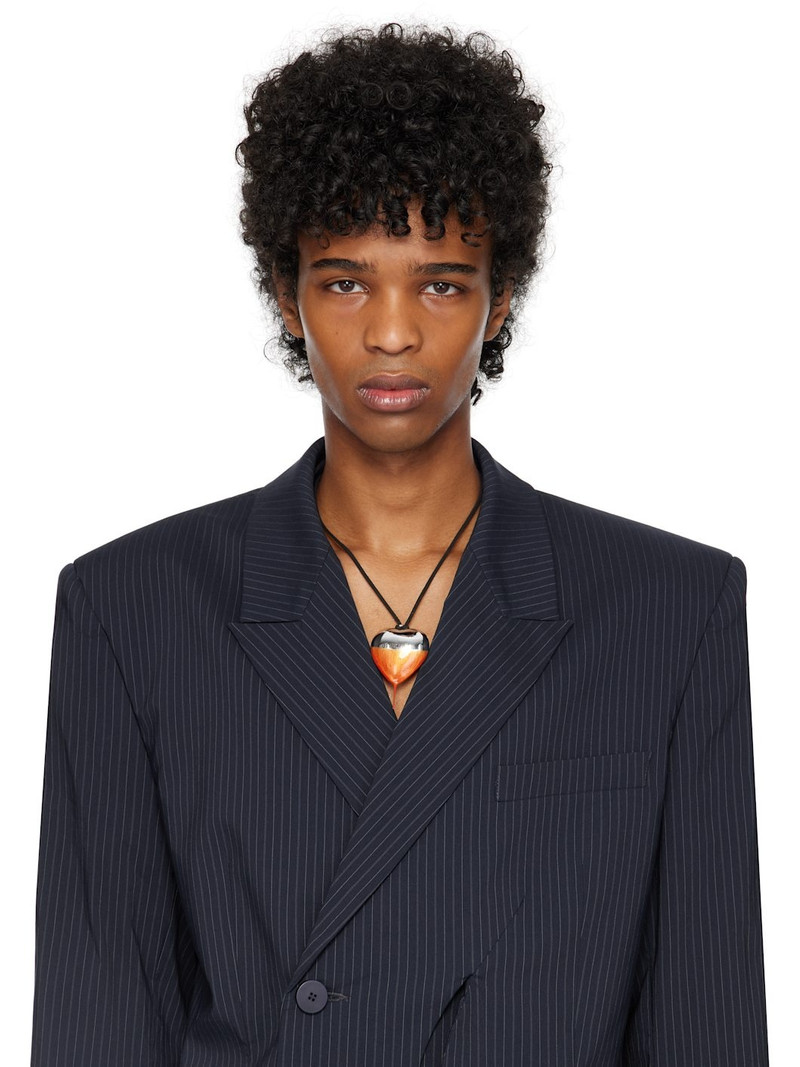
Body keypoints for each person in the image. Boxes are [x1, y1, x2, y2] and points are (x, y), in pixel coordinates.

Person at [31, 23, 769, 1066]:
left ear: (501, 298)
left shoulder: (668, 609)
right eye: (344, 281)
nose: (390, 332)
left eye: (440, 282)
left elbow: (706, 1014)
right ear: (285, 295)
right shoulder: (133, 608)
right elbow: (99, 1008)